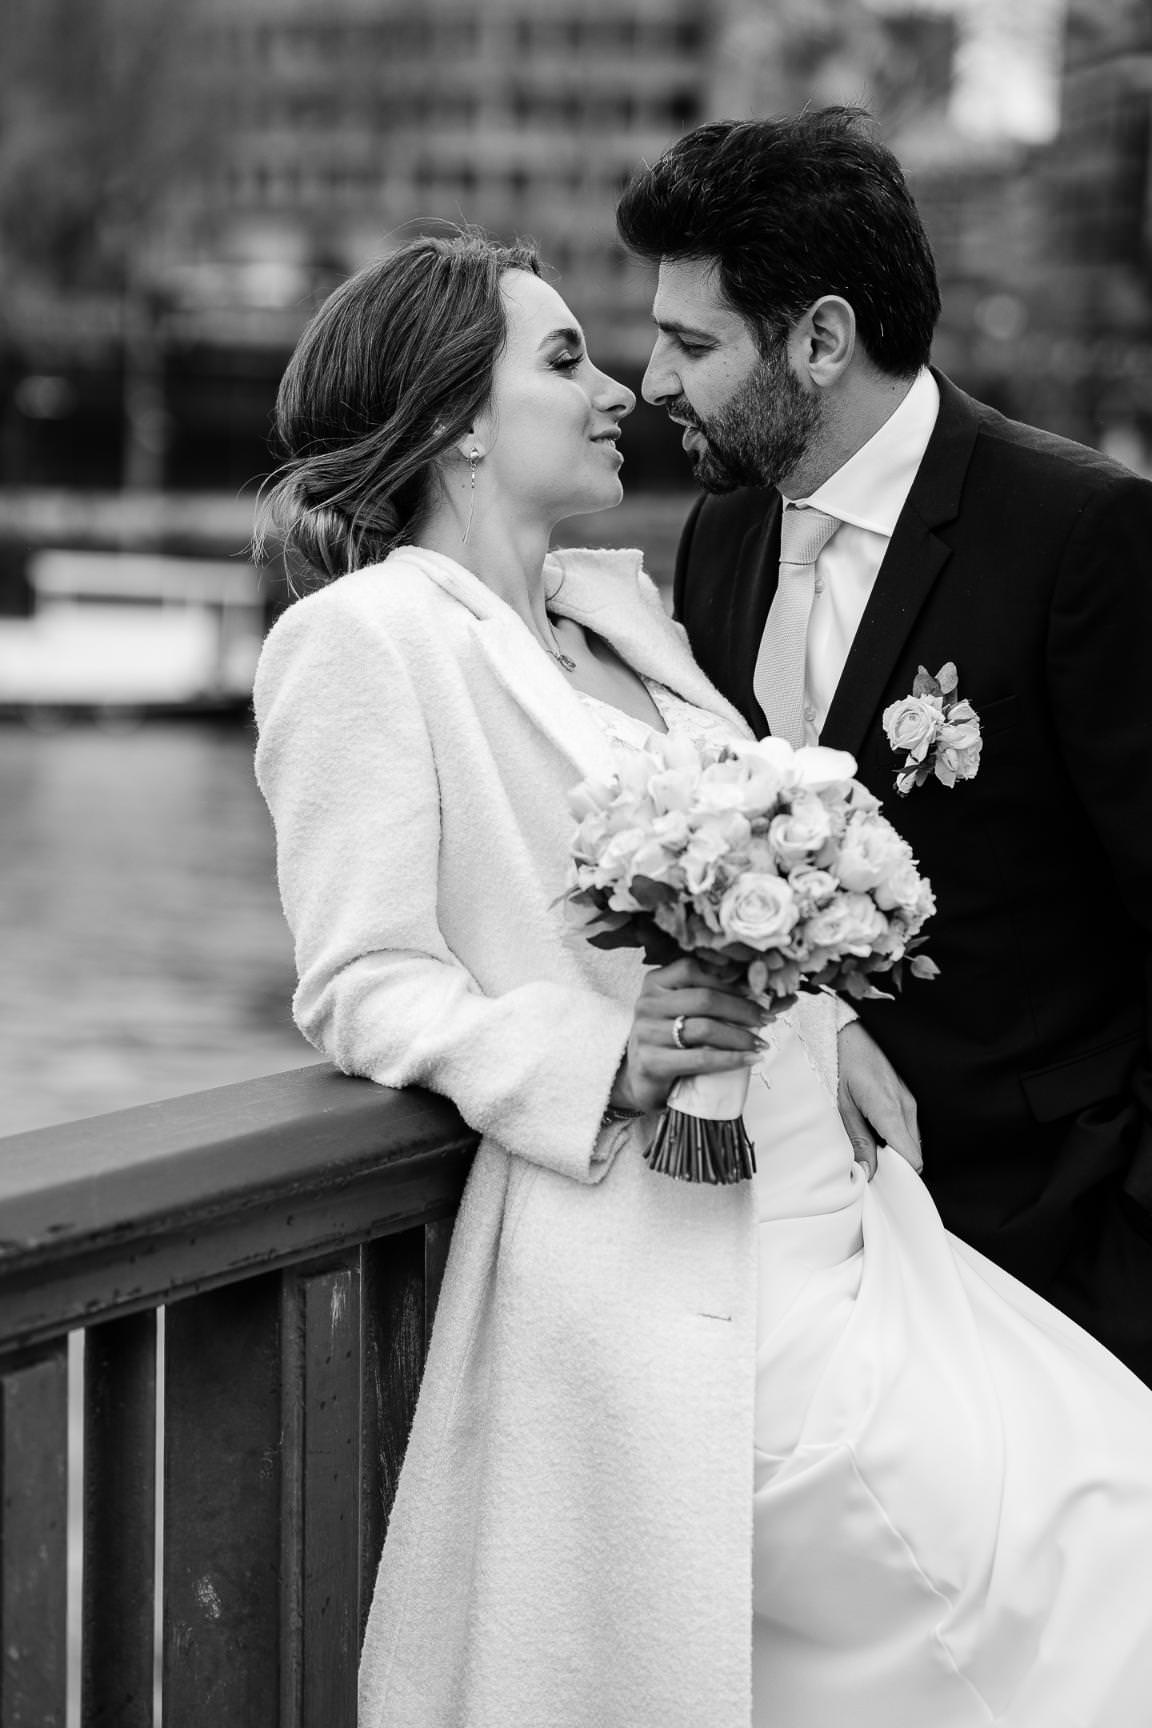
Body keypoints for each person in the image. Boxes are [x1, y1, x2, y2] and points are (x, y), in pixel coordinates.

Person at [253, 232, 1152, 1728]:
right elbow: (361, 980)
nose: (620, 389)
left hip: (856, 1219)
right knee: (1086, 1568)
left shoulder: (622, 607)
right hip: (685, 1259)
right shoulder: (363, 643)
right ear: (457, 418)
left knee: (1111, 1492)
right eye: (563, 361)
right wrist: (603, 1061)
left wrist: (839, 1017)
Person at [616, 106, 1152, 1386]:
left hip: (1047, 1254)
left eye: (691, 342)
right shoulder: (724, 535)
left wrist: (1126, 1253)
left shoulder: (1085, 536)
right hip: (794, 1257)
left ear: (820, 339)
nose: (653, 382)